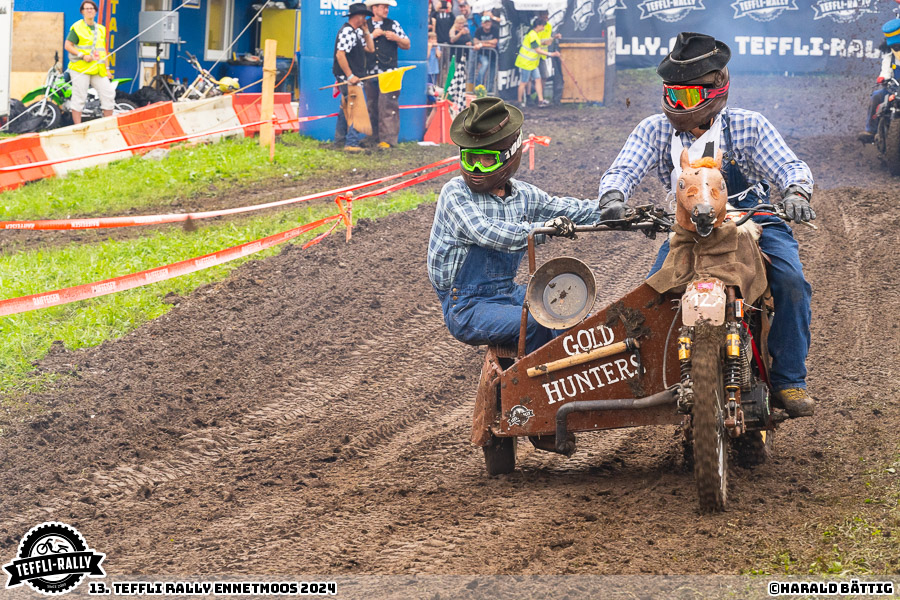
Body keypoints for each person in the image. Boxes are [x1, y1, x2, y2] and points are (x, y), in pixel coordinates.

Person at [597, 32, 817, 418]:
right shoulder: (654, 130)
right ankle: (668, 377)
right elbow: (622, 169)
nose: (677, 105)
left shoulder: (748, 126)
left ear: (716, 90)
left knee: (792, 283)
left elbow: (789, 166)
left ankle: (789, 381)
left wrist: (796, 193)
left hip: (753, 216)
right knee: (655, 299)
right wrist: (613, 198)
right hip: (686, 230)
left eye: (686, 97)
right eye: (672, 94)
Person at [427, 97, 601, 355]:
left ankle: (572, 374)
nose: (476, 167)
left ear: (510, 155)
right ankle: (537, 385)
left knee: (564, 308)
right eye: (470, 158)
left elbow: (568, 209)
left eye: (485, 159)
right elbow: (484, 231)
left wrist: (610, 209)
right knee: (534, 323)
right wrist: (543, 229)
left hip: (506, 293)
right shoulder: (455, 193)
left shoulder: (524, 196)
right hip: (465, 306)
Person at [363, 0, 410, 149]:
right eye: (384, 7)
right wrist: (371, 36)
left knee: (388, 106)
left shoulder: (393, 24)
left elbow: (407, 44)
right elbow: (358, 47)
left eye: (387, 7)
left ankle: (388, 140)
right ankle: (373, 137)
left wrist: (396, 38)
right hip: (369, 73)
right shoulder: (365, 25)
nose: (386, 10)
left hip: (388, 73)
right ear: (374, 8)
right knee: (371, 105)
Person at [64, 0, 115, 125]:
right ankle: (78, 126)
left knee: (108, 94)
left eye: (92, 8)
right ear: (82, 12)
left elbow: (104, 51)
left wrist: (107, 68)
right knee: (79, 97)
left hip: (98, 69)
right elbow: (68, 45)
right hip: (80, 68)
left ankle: (107, 125)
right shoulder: (77, 28)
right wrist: (82, 55)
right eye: (86, 9)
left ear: (96, 12)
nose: (89, 10)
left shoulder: (101, 29)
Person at [332, 2, 375, 153]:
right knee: (356, 109)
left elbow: (370, 48)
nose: (365, 20)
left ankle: (340, 140)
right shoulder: (347, 32)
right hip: (349, 78)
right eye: (364, 17)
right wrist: (350, 75)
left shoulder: (355, 32)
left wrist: (366, 32)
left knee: (346, 109)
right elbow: (340, 54)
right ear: (359, 16)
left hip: (349, 77)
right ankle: (351, 142)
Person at [859, 18, 900, 143]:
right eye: (894, 46)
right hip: (895, 88)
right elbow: (886, 68)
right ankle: (871, 130)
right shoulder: (890, 55)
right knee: (877, 96)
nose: (896, 48)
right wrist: (884, 77)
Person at [515, 18, 559, 107]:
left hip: (533, 63)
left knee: (538, 79)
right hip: (526, 63)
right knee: (524, 82)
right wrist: (551, 54)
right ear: (538, 26)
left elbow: (541, 44)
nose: (543, 28)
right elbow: (538, 50)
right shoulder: (532, 35)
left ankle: (540, 100)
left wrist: (552, 38)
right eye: (542, 26)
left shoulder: (536, 35)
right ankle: (519, 101)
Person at [473, 15, 498, 90]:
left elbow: (495, 43)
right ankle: (478, 87)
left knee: (492, 73)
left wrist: (481, 44)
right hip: (483, 54)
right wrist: (489, 43)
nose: (487, 24)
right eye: (485, 22)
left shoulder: (495, 29)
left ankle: (489, 91)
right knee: (485, 64)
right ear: (482, 24)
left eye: (489, 22)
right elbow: (475, 42)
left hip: (493, 54)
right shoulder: (479, 30)